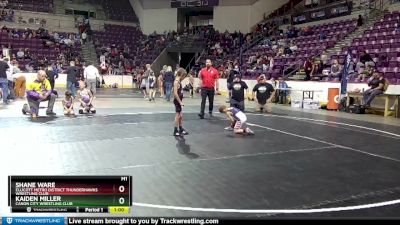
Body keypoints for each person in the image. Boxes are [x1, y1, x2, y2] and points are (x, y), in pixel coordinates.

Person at [173, 68, 189, 136]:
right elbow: (175, 94)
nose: (184, 78)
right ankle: (175, 130)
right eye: (184, 77)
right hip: (177, 101)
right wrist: (180, 102)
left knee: (181, 116)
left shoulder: (179, 81)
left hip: (179, 101)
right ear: (181, 75)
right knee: (178, 116)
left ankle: (181, 128)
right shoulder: (176, 82)